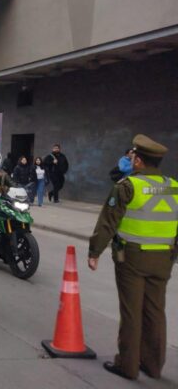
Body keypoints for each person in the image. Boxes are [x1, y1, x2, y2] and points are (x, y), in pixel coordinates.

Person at [88, 134, 177, 380]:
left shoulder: (128, 186)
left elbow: (108, 222)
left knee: (131, 312)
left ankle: (127, 366)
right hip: (164, 259)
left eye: (132, 157)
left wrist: (94, 251)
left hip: (133, 259)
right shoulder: (174, 186)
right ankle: (153, 366)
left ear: (138, 160)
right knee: (155, 312)